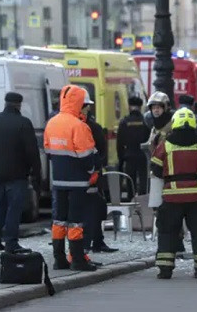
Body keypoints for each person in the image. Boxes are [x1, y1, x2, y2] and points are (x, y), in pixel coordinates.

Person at [150, 108, 197, 279]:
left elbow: (155, 168)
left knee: (167, 231)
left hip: (172, 196)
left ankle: (165, 269)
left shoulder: (166, 144)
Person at [44, 85, 98, 272]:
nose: (88, 109)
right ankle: (77, 259)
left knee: (59, 220)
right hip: (77, 181)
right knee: (76, 221)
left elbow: (48, 150)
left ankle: (59, 259)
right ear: (78, 104)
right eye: (86, 105)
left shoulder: (52, 123)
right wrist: (92, 170)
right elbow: (86, 156)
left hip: (58, 180)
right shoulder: (79, 126)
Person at [0, 92, 41, 252]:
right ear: (19, 105)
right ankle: (11, 242)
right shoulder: (23, 123)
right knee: (14, 208)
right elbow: (32, 152)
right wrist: (36, 173)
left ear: (6, 103)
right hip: (18, 175)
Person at [79, 96, 118, 255]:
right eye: (86, 106)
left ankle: (93, 241)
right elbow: (102, 151)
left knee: (92, 208)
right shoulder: (91, 127)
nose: (87, 108)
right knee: (93, 209)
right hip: (91, 175)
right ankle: (91, 242)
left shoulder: (87, 126)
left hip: (82, 175)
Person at [117, 96, 151, 196]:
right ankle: (143, 201)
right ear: (140, 107)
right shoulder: (145, 122)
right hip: (142, 156)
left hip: (129, 156)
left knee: (130, 181)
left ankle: (131, 200)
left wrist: (121, 160)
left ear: (129, 107)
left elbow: (120, 143)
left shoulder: (124, 122)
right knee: (143, 180)